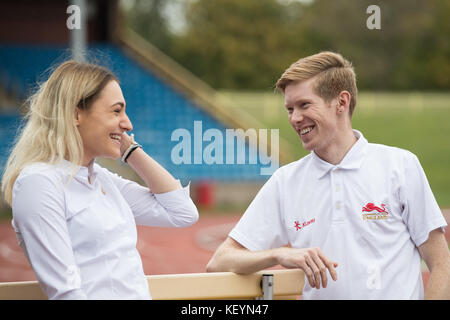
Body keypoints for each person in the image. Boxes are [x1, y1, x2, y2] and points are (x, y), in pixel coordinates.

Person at [206, 51, 449, 299]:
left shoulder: (401, 166)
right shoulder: (285, 182)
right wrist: (279, 254)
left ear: (341, 103)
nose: (295, 118)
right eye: (290, 109)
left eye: (304, 105)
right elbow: (220, 261)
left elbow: (442, 266)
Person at [1, 60, 199, 299]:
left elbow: (182, 213)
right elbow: (67, 292)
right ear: (76, 114)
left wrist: (131, 151)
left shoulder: (101, 179)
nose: (128, 123)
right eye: (116, 111)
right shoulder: (39, 183)